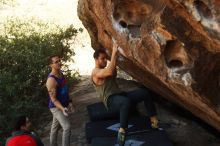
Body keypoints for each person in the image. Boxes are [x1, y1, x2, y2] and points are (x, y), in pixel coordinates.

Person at [91, 42, 158, 146]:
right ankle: (122, 132)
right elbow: (109, 72)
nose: (105, 60)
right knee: (125, 102)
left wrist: (115, 56)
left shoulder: (105, 69)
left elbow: (113, 72)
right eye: (102, 58)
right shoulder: (95, 72)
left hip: (120, 95)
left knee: (144, 93)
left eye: (105, 58)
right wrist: (113, 53)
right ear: (96, 60)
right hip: (110, 100)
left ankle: (154, 122)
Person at [46, 55, 74, 146]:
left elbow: (65, 89)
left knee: (54, 128)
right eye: (56, 62)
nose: (59, 63)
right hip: (56, 107)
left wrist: (70, 102)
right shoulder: (51, 80)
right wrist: (62, 109)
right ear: (51, 65)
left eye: (59, 61)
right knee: (67, 127)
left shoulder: (61, 73)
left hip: (63, 105)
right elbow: (53, 100)